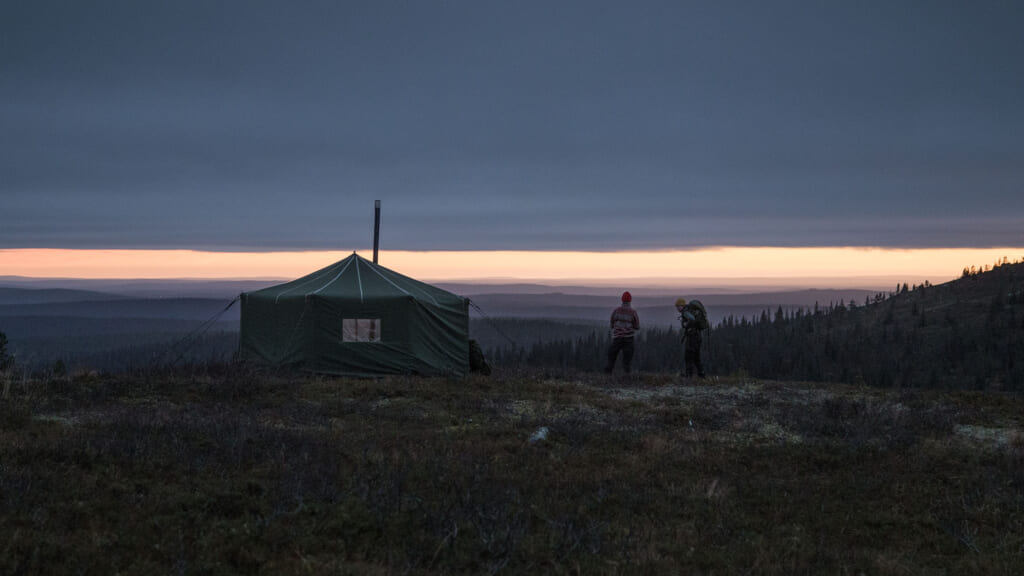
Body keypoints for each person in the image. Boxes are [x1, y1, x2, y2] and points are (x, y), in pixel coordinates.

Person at [605, 291, 640, 374]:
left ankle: (607, 375)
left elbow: (612, 323)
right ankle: (627, 377)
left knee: (612, 357)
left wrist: (617, 328)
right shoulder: (633, 312)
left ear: (622, 300)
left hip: (617, 338)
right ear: (630, 301)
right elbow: (637, 326)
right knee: (627, 360)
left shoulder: (616, 311)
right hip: (629, 338)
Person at [676, 297, 707, 378]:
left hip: (692, 337)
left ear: (681, 306)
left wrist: (686, 325)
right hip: (698, 336)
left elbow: (691, 319)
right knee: (697, 357)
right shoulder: (691, 311)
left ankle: (689, 376)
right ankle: (702, 375)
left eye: (678, 306)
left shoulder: (685, 312)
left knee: (688, 357)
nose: (677, 308)